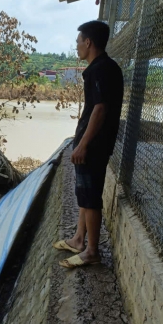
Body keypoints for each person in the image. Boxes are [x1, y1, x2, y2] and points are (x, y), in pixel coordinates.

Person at [53, 20, 124, 268]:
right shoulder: (105, 68)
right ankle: (79, 239)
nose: (77, 47)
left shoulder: (99, 70)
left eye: (78, 42)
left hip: (93, 145)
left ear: (88, 42)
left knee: (90, 195)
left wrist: (83, 144)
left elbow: (100, 109)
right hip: (94, 143)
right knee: (84, 191)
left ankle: (91, 250)